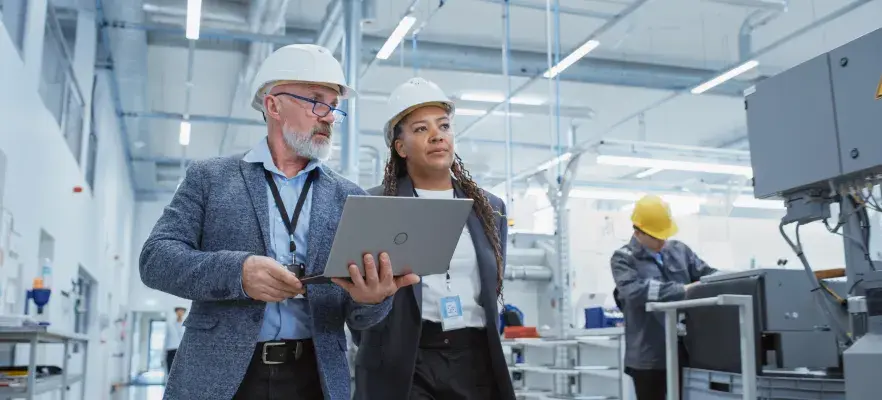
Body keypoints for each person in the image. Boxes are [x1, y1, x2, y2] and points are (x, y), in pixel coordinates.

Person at [139, 44, 419, 400]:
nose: (329, 116)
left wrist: (372, 299)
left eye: (333, 106)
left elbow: (360, 319)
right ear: (273, 105)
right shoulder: (210, 178)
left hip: (315, 379)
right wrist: (238, 273)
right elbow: (155, 260)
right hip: (220, 378)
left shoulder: (349, 196)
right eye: (317, 101)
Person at [351, 77, 516, 400]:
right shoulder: (376, 206)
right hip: (405, 360)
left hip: (475, 358)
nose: (437, 135)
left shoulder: (490, 208)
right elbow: (357, 300)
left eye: (443, 126)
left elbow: (492, 285)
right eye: (421, 129)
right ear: (400, 147)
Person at [611, 195, 718, 400]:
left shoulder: (680, 251)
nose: (662, 241)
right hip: (648, 356)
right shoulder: (623, 259)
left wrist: (732, 278)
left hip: (686, 351)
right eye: (656, 236)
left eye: (664, 235)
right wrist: (682, 290)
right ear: (638, 232)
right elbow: (634, 292)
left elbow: (708, 275)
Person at [163, 306, 186, 375]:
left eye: (182, 311)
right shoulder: (170, 325)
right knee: (170, 372)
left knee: (181, 373)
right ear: (176, 312)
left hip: (182, 351)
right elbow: (166, 339)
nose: (180, 313)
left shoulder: (187, 326)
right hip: (171, 351)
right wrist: (163, 355)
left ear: (184, 313)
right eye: (178, 311)